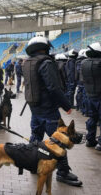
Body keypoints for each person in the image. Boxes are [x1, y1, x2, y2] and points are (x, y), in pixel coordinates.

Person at [22, 37, 82, 186]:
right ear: (45, 47)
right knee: (59, 139)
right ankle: (63, 172)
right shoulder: (46, 63)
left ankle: (34, 165)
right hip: (48, 108)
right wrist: (66, 105)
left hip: (34, 106)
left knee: (35, 135)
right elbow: (53, 87)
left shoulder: (27, 62)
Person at [75, 49, 88, 115]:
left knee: (80, 94)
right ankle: (84, 110)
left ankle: (79, 107)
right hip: (84, 81)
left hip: (80, 81)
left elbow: (77, 73)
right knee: (85, 96)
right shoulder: (85, 62)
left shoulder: (78, 62)